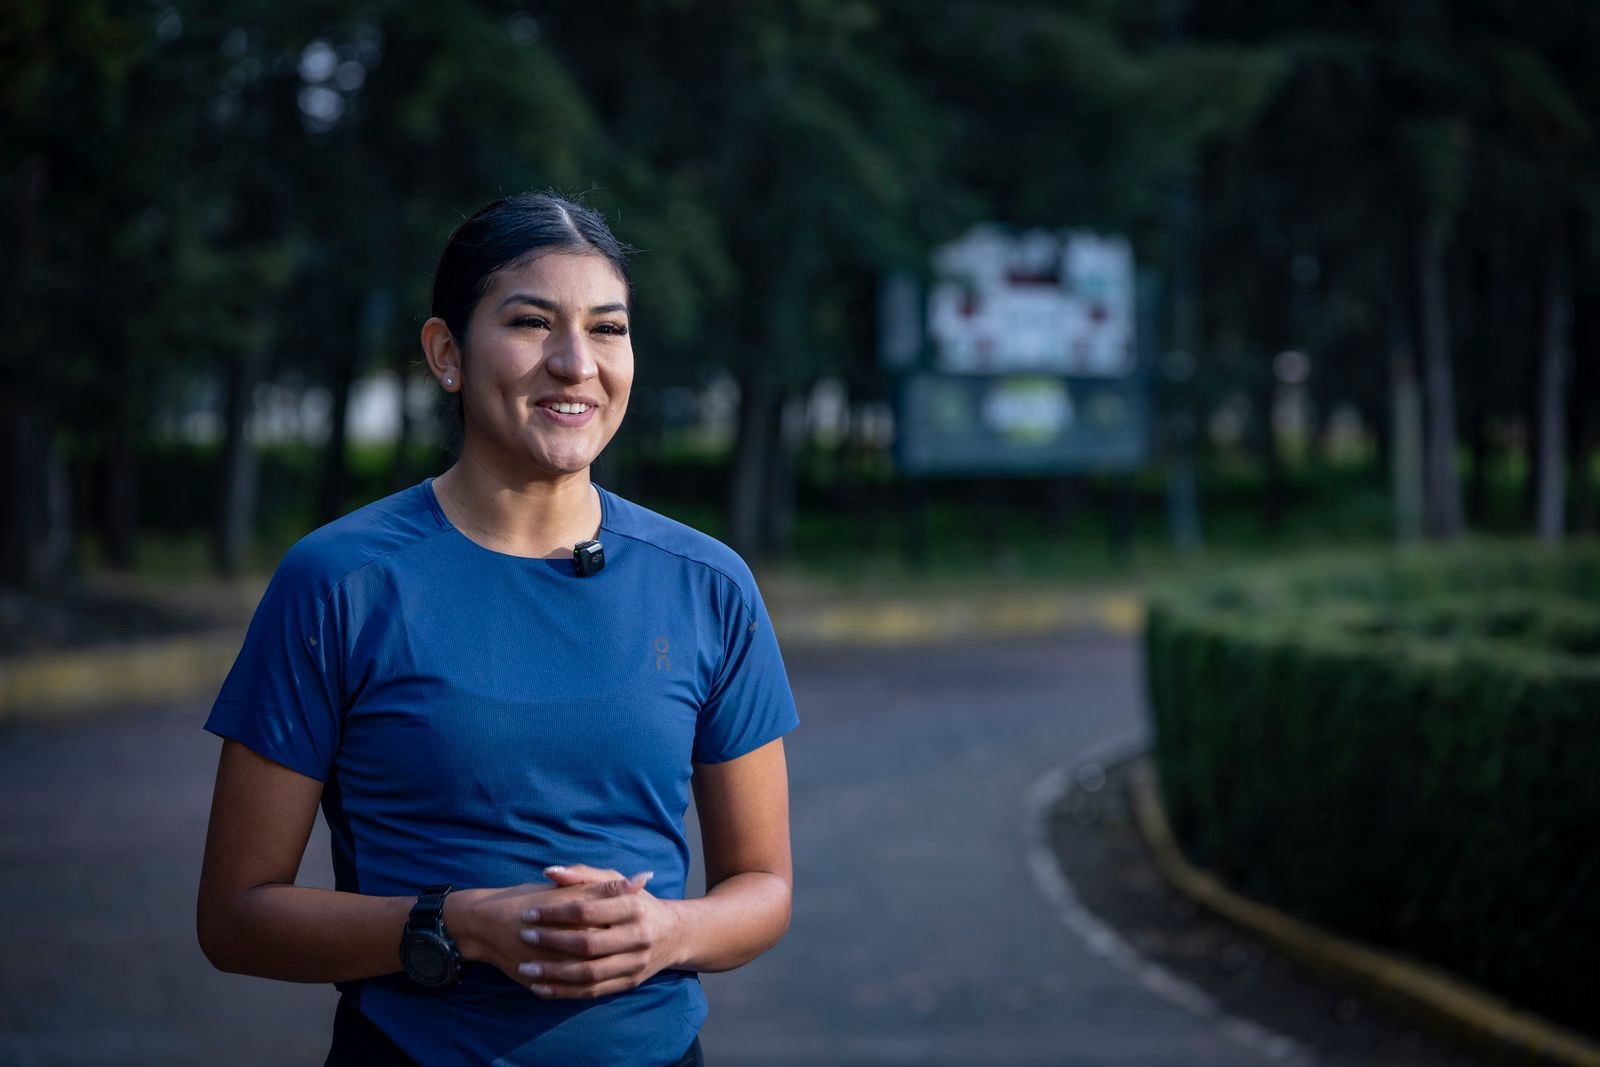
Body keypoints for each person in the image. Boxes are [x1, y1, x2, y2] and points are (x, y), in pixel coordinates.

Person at [196, 191, 798, 1067]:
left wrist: (663, 930)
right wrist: (458, 923)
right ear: (446, 354)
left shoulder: (708, 584)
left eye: (608, 328)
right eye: (530, 323)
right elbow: (235, 916)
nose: (574, 363)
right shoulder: (341, 582)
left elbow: (764, 886)